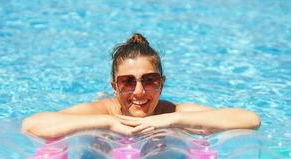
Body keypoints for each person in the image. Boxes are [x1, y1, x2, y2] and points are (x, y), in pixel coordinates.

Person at [22, 33, 260, 140]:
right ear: (115, 88)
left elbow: (250, 120)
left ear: (162, 84)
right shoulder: (103, 111)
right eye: (127, 82)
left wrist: (167, 120)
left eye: (149, 80)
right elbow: (31, 125)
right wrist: (107, 123)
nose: (138, 91)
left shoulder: (172, 112)